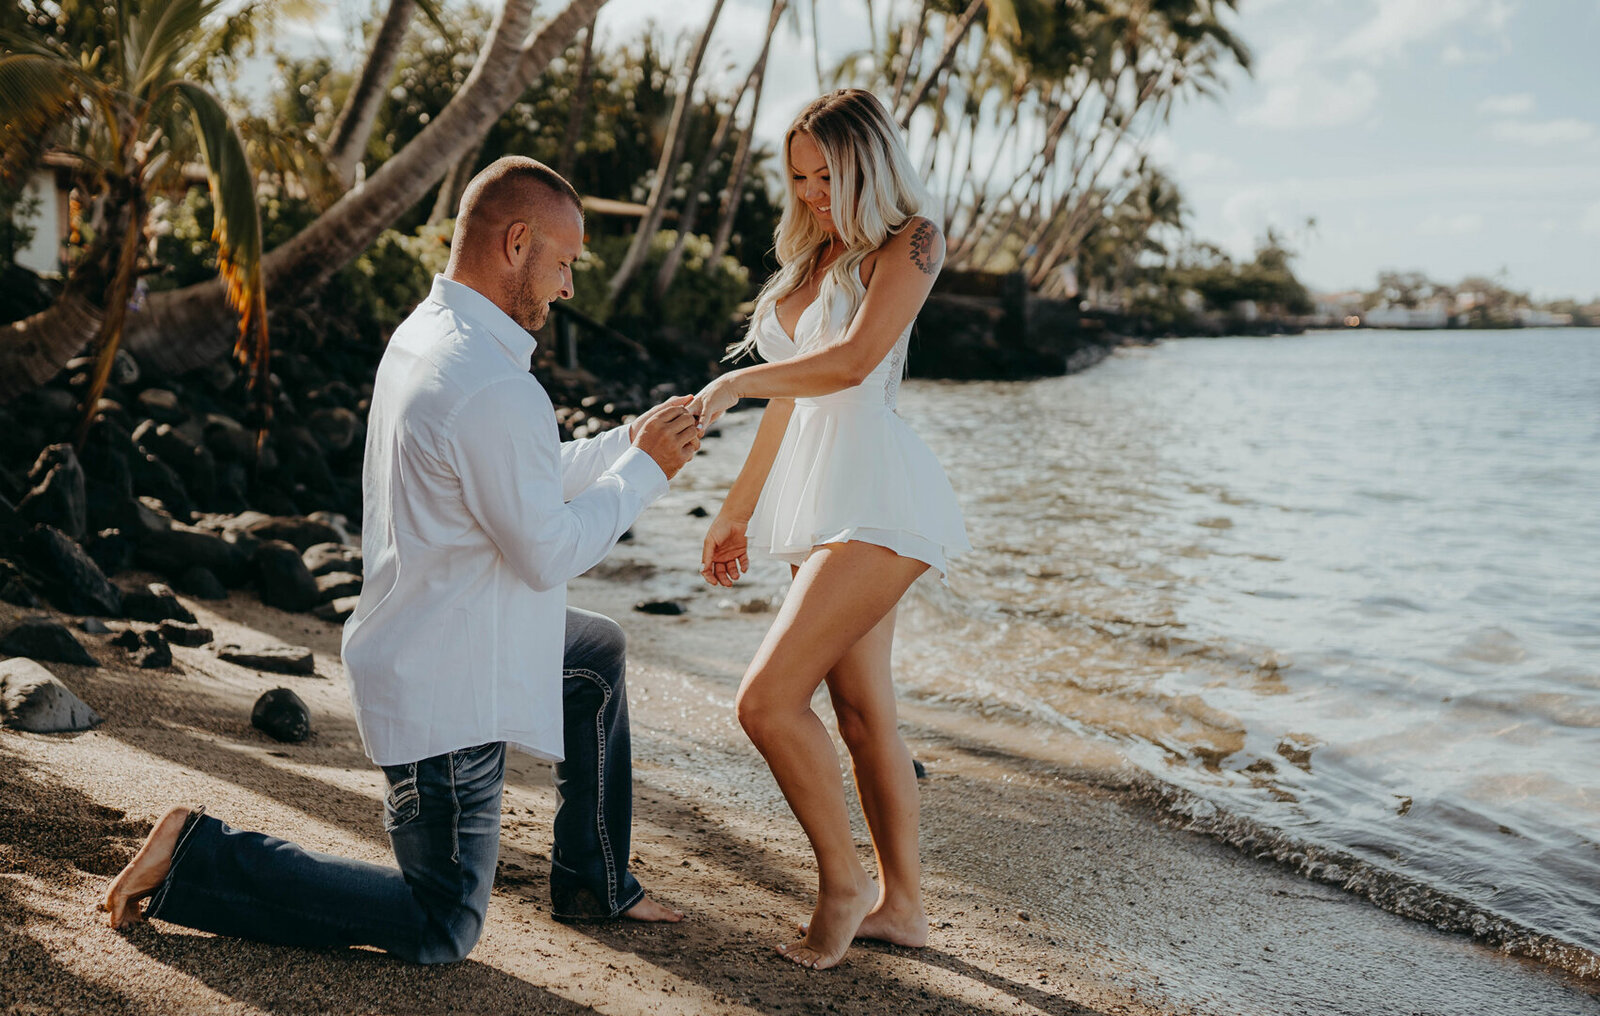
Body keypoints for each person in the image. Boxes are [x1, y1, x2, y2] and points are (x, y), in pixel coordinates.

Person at [101, 156, 697, 962]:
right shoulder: (489, 381)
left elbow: (515, 475)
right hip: (446, 696)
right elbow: (546, 552)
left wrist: (623, 445)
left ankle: (593, 879)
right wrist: (649, 472)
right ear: (517, 243)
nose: (568, 287)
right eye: (565, 264)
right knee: (442, 923)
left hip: (436, 631)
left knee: (593, 654)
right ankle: (199, 855)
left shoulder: (432, 336)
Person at [688, 89, 970, 970]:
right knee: (860, 712)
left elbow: (848, 362)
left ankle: (843, 884)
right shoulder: (813, 256)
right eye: (800, 176)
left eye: (827, 173)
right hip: (830, 502)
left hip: (884, 498)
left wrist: (732, 386)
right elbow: (793, 391)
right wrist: (736, 508)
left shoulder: (911, 240)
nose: (812, 191)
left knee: (767, 702)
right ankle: (905, 911)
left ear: (868, 162)